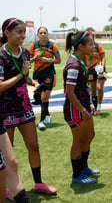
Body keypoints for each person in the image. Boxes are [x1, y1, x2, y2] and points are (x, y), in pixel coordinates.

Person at [0, 18, 57, 195]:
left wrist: (34, 83)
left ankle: (38, 183)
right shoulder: (1, 56)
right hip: (5, 109)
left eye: (24, 32)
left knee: (34, 146)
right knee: (8, 154)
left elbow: (24, 77)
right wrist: (21, 75)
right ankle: (9, 188)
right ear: (7, 33)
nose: (23, 36)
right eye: (19, 32)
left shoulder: (25, 53)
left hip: (24, 106)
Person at [63, 31, 100, 184]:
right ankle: (77, 174)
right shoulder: (73, 64)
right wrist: (83, 110)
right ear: (80, 46)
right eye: (90, 44)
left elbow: (81, 87)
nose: (94, 47)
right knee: (78, 141)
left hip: (83, 105)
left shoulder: (80, 59)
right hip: (75, 109)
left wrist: (89, 103)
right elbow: (69, 93)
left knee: (89, 135)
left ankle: (84, 167)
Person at [29, 26, 61, 130]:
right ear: (38, 35)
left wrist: (48, 60)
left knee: (44, 97)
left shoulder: (53, 46)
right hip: (37, 74)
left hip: (49, 73)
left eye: (44, 33)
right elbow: (29, 61)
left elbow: (58, 60)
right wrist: (35, 57)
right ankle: (47, 116)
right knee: (38, 98)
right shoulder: (33, 46)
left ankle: (41, 121)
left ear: (47, 34)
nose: (43, 34)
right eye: (41, 33)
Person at [85, 38, 106, 115]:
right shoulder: (85, 47)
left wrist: (103, 67)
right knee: (93, 90)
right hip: (90, 69)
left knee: (99, 88)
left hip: (99, 68)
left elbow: (103, 57)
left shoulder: (98, 46)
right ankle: (94, 108)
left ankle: (99, 107)